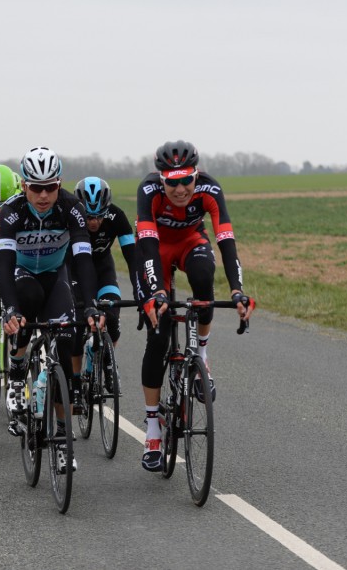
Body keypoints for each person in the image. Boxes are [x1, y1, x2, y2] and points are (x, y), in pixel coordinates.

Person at [134, 139, 253, 472]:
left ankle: (201, 354)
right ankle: (154, 429)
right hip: (155, 249)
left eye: (187, 180)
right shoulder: (148, 193)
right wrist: (157, 292)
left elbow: (226, 242)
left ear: (196, 175)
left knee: (204, 277)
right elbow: (145, 249)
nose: (181, 189)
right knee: (158, 338)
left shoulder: (210, 189)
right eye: (172, 182)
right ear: (161, 179)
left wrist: (237, 291)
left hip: (189, 243)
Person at [0, 147, 103, 474]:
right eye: (36, 188)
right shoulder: (11, 212)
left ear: (60, 185)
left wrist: (90, 304)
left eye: (50, 187)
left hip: (56, 276)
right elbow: (2, 264)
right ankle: (16, 374)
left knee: (68, 341)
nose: (43, 195)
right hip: (21, 274)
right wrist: (10, 307)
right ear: (24, 186)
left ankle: (61, 438)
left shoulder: (71, 208)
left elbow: (83, 259)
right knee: (25, 306)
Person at [73, 177, 139, 390]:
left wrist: (141, 290)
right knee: (78, 325)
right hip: (75, 271)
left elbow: (132, 258)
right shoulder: (70, 217)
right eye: (89, 217)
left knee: (112, 316)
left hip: (103, 269)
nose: (94, 222)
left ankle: (107, 358)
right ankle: (75, 379)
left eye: (99, 216)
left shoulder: (117, 216)